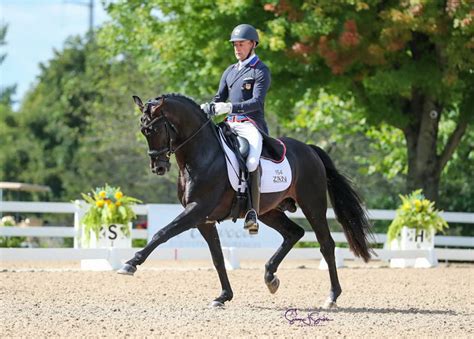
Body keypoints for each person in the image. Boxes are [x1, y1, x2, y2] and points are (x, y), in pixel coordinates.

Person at [201, 24, 271, 234]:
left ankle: (252, 212)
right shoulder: (230, 71)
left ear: (252, 44)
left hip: (251, 125)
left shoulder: (260, 70)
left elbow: (257, 102)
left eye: (241, 44)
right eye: (235, 45)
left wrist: (230, 106)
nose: (237, 48)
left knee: (250, 162)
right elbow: (219, 97)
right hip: (230, 123)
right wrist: (210, 106)